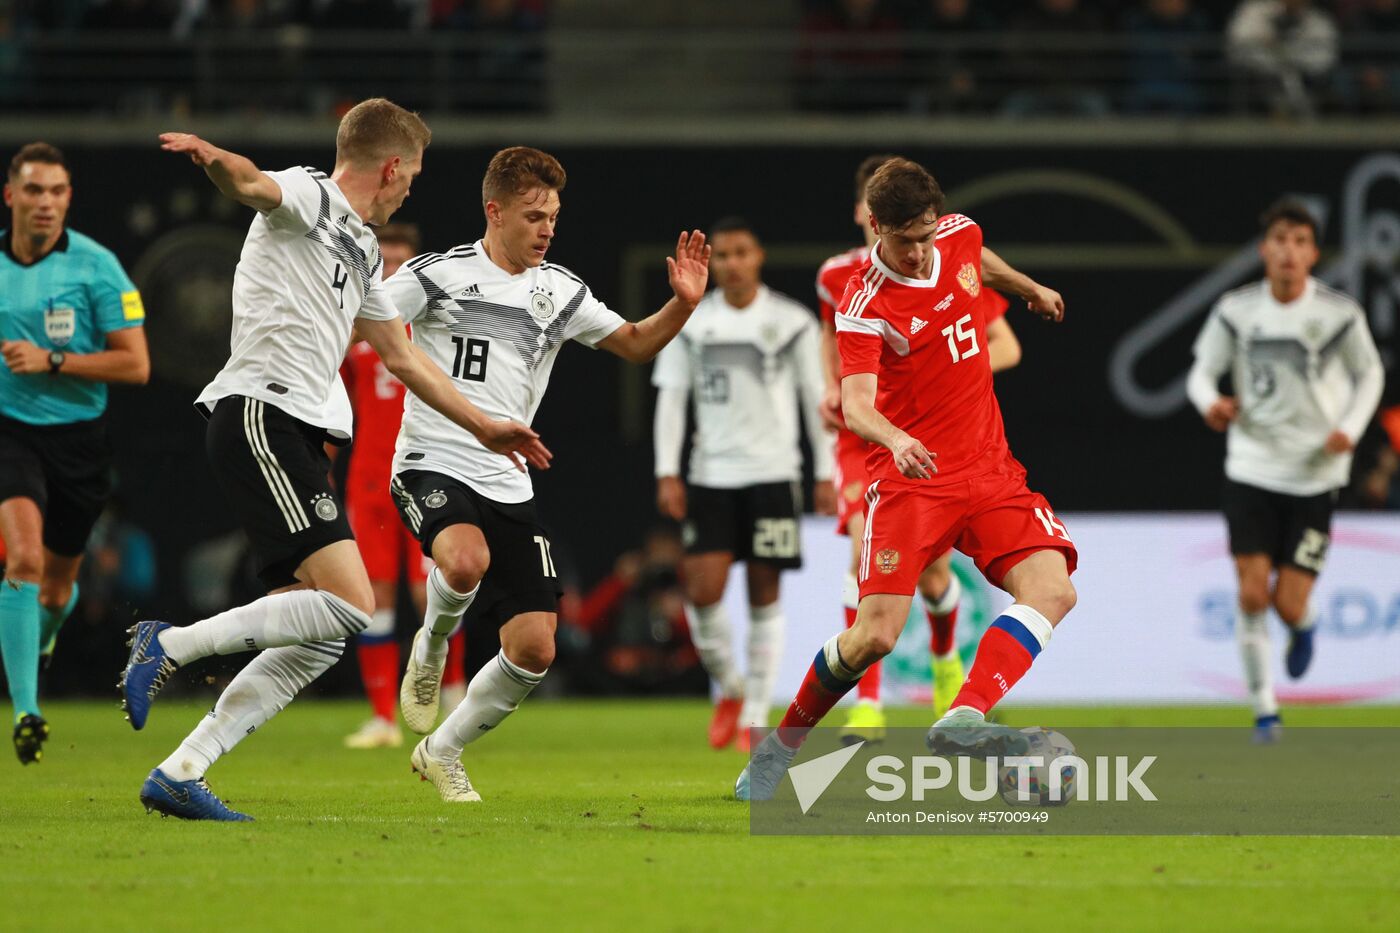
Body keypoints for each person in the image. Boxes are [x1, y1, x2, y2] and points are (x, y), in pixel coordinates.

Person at [119, 98, 550, 821]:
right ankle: (169, 642)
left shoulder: (359, 249)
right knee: (353, 603)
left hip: (297, 435)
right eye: (409, 176)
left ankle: (181, 768)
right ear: (388, 167)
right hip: (262, 411)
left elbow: (405, 360)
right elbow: (253, 184)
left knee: (329, 628)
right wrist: (213, 156)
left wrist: (487, 426)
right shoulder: (313, 197)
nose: (409, 189)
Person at [381, 146, 710, 804]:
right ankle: (433, 642)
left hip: (509, 481)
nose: (546, 228)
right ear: (494, 211)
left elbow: (637, 342)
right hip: (432, 459)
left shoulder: (557, 290)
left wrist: (683, 305)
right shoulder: (436, 275)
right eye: (534, 215)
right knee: (465, 560)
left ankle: (442, 748)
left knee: (535, 649)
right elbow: (369, 324)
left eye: (554, 216)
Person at [737, 157, 1071, 801]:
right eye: (902, 241)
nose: (917, 254)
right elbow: (856, 402)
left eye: (924, 236)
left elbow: (983, 259)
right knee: (875, 636)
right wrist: (897, 438)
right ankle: (780, 749)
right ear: (875, 228)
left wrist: (1028, 289)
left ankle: (963, 716)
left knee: (1053, 589)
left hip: (991, 471)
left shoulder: (957, 234)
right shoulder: (864, 301)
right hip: (913, 482)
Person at [815, 154, 1023, 744]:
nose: (916, 245)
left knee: (932, 578)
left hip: (935, 436)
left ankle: (944, 661)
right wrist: (828, 394)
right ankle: (869, 707)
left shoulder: (952, 251)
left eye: (924, 232)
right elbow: (832, 346)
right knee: (863, 563)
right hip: (872, 438)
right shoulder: (840, 281)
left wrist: (958, 371)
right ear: (868, 216)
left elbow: (998, 336)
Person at [1187, 199, 1383, 743]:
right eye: (1280, 240)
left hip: (1316, 475)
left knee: (1288, 602)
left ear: (1314, 254)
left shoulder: (1339, 315)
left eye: (1300, 242)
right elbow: (1202, 372)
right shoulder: (1237, 310)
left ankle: (1307, 623)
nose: (1289, 252)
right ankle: (1265, 713)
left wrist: (1350, 425)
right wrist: (1210, 403)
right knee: (1251, 595)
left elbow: (1369, 376)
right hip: (1251, 467)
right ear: (1264, 250)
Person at [652, 216, 835, 753]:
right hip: (712, 474)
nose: (731, 264)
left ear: (759, 258)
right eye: (723, 255)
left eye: (741, 253)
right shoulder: (691, 321)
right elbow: (671, 398)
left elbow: (815, 400)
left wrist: (825, 472)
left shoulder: (792, 321)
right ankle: (730, 688)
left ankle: (755, 714)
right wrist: (668, 469)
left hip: (774, 474)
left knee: (764, 593)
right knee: (702, 590)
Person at [0, 141, 150, 764]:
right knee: (24, 560)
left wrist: (53, 360)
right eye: (34, 191)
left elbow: (137, 365)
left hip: (80, 443)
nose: (46, 204)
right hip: (10, 432)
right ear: (11, 195)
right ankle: (28, 710)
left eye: (58, 192)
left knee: (57, 589)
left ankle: (43, 638)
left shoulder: (96, 266)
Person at [338, 223, 467, 750]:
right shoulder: (352, 329)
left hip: (426, 471)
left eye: (398, 262)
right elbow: (337, 405)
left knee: (435, 589)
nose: (390, 270)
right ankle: (382, 718)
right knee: (373, 597)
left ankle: (454, 689)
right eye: (381, 262)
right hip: (369, 480)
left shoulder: (435, 326)